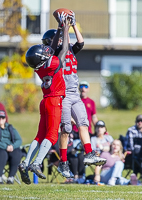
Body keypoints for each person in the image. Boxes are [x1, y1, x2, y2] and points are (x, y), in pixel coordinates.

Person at [42, 11, 106, 179]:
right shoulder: (54, 53)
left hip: (75, 94)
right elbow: (57, 43)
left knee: (83, 124)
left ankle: (89, 154)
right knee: (66, 129)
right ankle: (63, 162)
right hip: (62, 95)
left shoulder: (71, 49)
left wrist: (73, 25)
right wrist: (61, 27)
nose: (64, 39)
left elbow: (81, 42)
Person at [18, 15, 70, 184]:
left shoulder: (39, 68)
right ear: (42, 58)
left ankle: (25, 163)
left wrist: (60, 28)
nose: (46, 50)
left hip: (45, 101)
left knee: (40, 136)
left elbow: (53, 49)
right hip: (55, 100)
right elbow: (63, 50)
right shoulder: (53, 63)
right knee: (52, 136)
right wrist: (66, 30)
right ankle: (37, 163)